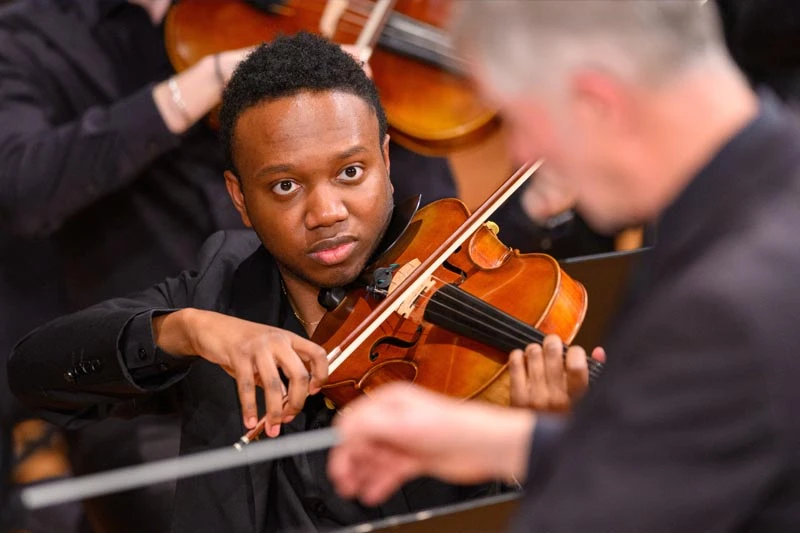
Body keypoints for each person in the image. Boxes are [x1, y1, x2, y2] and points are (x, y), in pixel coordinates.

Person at [7, 31, 596, 531]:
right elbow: (34, 373)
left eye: (350, 172)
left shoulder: (466, 292)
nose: (327, 212)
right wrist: (189, 330)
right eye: (285, 186)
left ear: (386, 160)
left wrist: (536, 450)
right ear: (240, 198)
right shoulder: (223, 291)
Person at [327, 2, 800, 531]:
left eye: (523, 121)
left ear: (596, 103)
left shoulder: (723, 308)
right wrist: (509, 442)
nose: (525, 151)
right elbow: (700, 442)